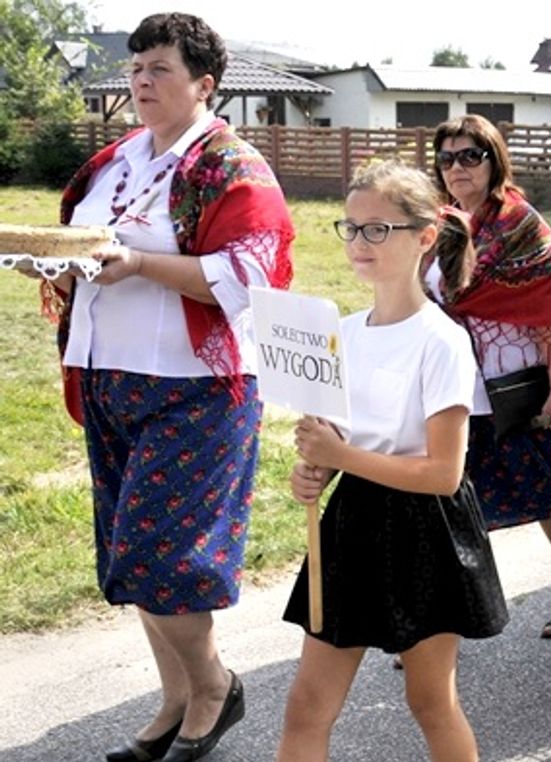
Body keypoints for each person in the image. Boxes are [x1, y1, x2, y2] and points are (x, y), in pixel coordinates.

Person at [40, 13, 295, 762]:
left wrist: (142, 265)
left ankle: (214, 687)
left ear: (204, 84)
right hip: (112, 378)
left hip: (197, 388)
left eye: (159, 69)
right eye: (136, 69)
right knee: (127, 555)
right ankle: (178, 699)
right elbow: (84, 244)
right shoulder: (116, 160)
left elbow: (252, 276)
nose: (142, 82)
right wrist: (58, 267)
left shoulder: (233, 167)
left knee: (162, 558)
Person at [276, 160, 507, 762]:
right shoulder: (344, 334)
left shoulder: (442, 340)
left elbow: (443, 472)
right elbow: (339, 442)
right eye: (350, 228)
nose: (360, 243)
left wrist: (340, 454)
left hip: (425, 531)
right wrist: (316, 470)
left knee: (429, 702)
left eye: (377, 229)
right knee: (306, 706)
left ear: (424, 237)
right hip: (352, 522)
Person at [425, 114, 551, 638]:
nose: (457, 167)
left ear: (493, 160)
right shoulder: (435, 224)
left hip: (515, 380)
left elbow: (549, 311)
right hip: (455, 383)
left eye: (469, 156)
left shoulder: (522, 226)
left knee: (550, 495)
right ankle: (445, 615)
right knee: (447, 498)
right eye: (447, 158)